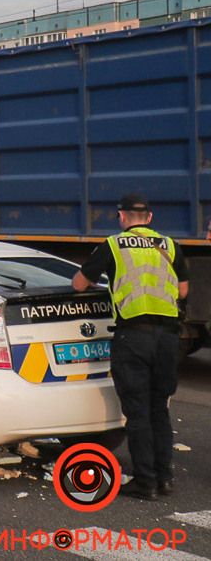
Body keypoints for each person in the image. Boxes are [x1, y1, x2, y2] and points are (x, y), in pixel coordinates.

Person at [72, 193, 189, 501]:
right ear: (150, 218)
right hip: (167, 337)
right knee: (159, 409)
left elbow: (79, 284)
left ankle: (145, 482)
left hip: (133, 336)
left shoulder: (113, 245)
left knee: (137, 412)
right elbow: (183, 289)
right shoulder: (170, 245)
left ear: (121, 216)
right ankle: (164, 478)